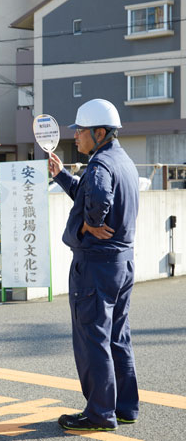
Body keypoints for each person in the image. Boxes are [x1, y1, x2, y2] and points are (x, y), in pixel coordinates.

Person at [48, 99, 140, 432]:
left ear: (99, 132)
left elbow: (98, 199)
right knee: (117, 337)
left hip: (96, 267)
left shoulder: (100, 165)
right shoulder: (122, 160)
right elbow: (91, 193)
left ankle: (100, 413)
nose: (76, 136)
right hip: (122, 264)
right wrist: (62, 178)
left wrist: (88, 224)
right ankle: (125, 407)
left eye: (81, 131)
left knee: (93, 339)